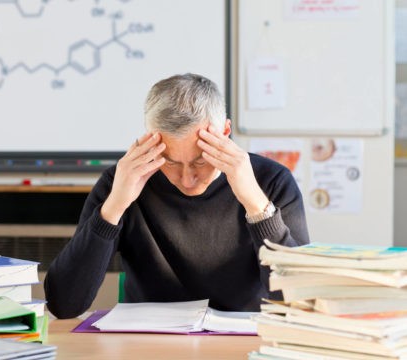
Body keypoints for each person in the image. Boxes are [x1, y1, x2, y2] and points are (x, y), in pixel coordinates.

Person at [45, 73, 309, 319]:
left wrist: (257, 206)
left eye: (199, 161)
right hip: (150, 343)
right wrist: (114, 207)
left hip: (242, 342)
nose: (187, 179)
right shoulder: (122, 181)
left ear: (225, 134)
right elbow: (65, 305)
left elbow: (298, 299)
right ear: (150, 140)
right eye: (170, 162)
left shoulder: (271, 181)